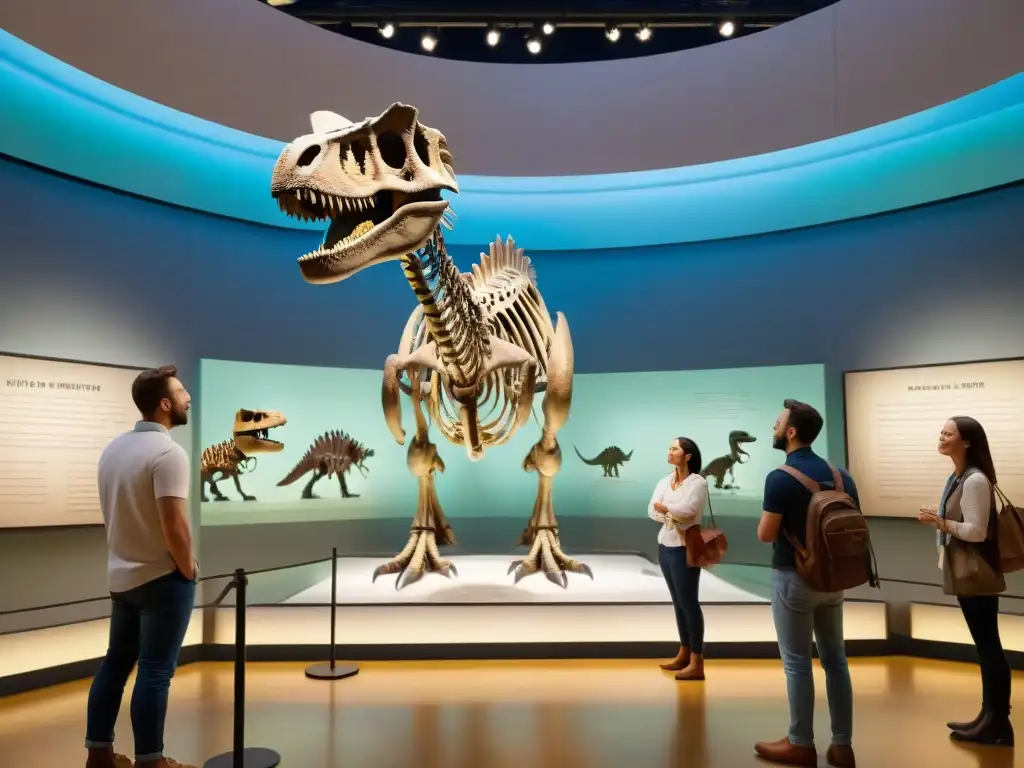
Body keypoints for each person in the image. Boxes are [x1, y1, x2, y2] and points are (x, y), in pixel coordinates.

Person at [85, 365, 199, 768]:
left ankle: (98, 754)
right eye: (182, 392)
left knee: (115, 663)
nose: (189, 398)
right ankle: (152, 760)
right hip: (162, 580)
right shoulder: (169, 453)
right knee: (154, 671)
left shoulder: (114, 449)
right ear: (165, 404)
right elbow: (174, 524)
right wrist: (188, 569)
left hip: (122, 579)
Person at [753, 399, 857, 768]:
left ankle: (800, 742)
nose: (774, 427)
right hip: (834, 582)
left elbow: (766, 534)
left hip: (793, 579)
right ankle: (842, 745)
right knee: (836, 661)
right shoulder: (843, 476)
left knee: (797, 663)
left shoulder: (780, 477)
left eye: (778, 422)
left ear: (791, 432)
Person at [916, 416, 1013, 747]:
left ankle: (998, 722)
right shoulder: (958, 477)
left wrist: (940, 522)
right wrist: (940, 519)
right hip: (966, 572)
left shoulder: (973, 480)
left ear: (967, 442)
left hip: (976, 573)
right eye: (941, 431)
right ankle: (989, 717)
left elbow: (977, 531)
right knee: (986, 647)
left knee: (989, 648)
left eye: (948, 433)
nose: (941, 437)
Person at [648, 436, 710, 681]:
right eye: (670, 448)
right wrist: (671, 516)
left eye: (674, 449)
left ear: (688, 456)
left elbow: (689, 512)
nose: (670, 452)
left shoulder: (698, 482)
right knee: (678, 603)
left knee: (689, 603)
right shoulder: (665, 481)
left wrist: (666, 510)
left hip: (685, 548)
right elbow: (651, 509)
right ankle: (684, 653)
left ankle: (697, 661)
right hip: (666, 545)